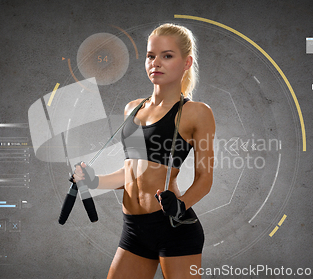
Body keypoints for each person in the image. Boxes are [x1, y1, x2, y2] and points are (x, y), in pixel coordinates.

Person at [73, 23, 215, 279]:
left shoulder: (196, 113)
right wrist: (94, 180)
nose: (156, 63)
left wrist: (181, 205)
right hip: (134, 230)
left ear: (186, 63)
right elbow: (132, 173)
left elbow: (205, 180)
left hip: (173, 227)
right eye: (151, 56)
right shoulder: (133, 109)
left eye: (167, 56)